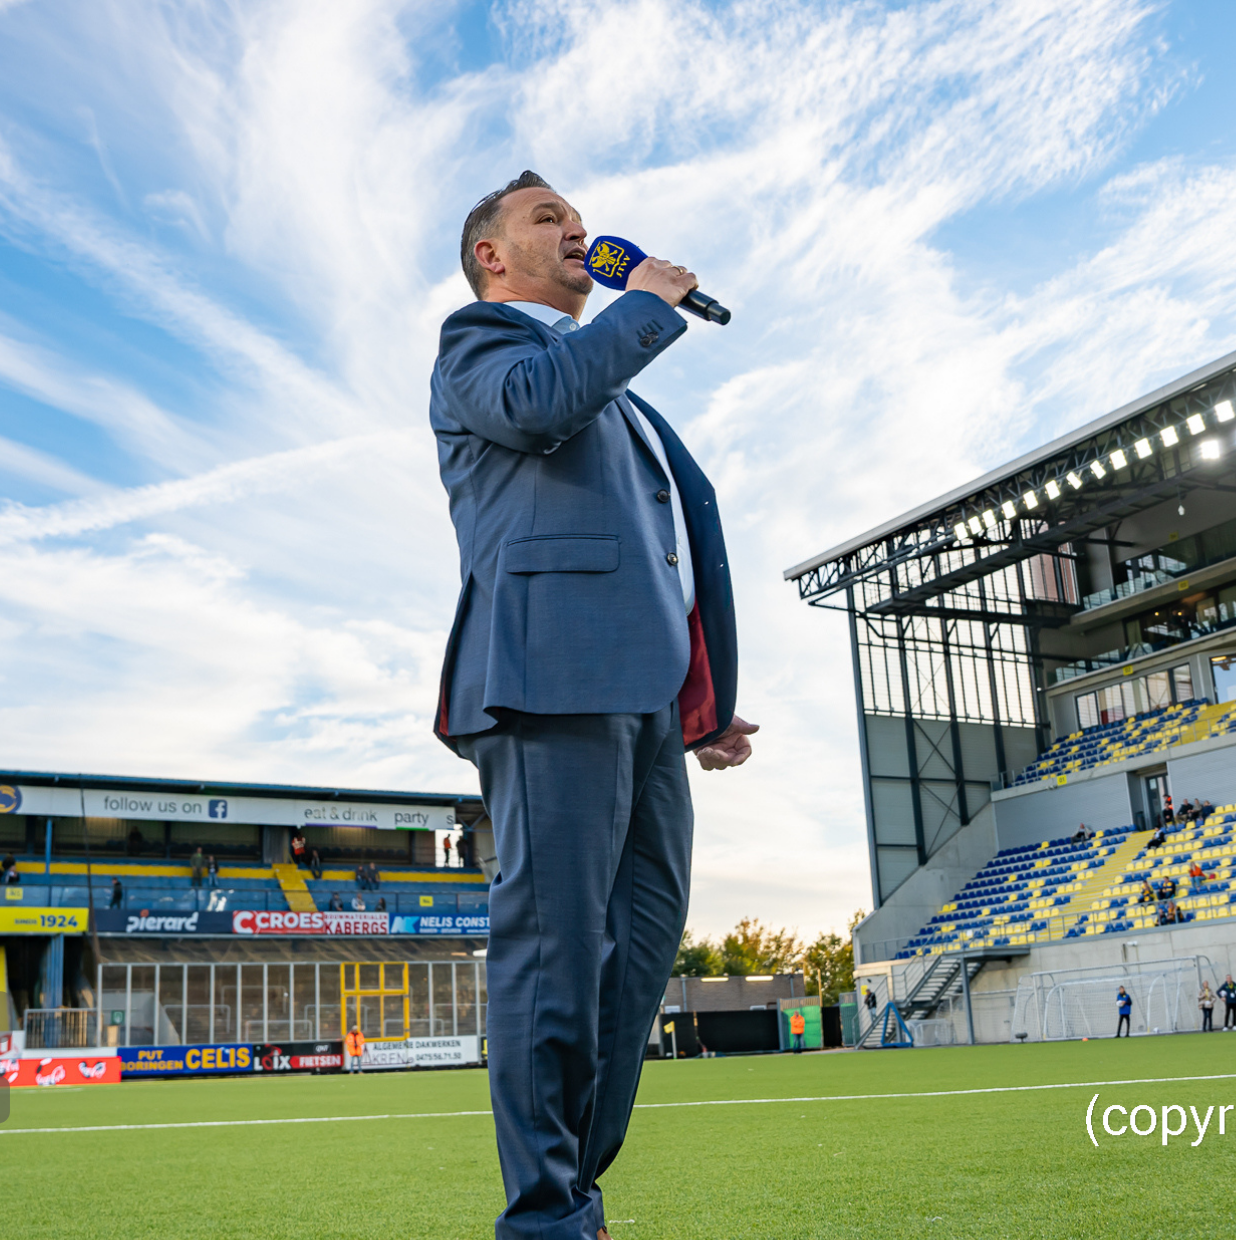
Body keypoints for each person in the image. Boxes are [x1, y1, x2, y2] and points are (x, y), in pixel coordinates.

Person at [431, 171, 751, 1240]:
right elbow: (535, 407)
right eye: (545, 219)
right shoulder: (481, 348)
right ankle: (547, 1217)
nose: (575, 228)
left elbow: (664, 555)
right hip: (547, 679)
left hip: (650, 703)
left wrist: (704, 702)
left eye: (576, 216)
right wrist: (647, 302)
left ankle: (574, 1192)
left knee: (638, 952)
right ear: (492, 256)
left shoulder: (614, 386)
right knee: (555, 947)